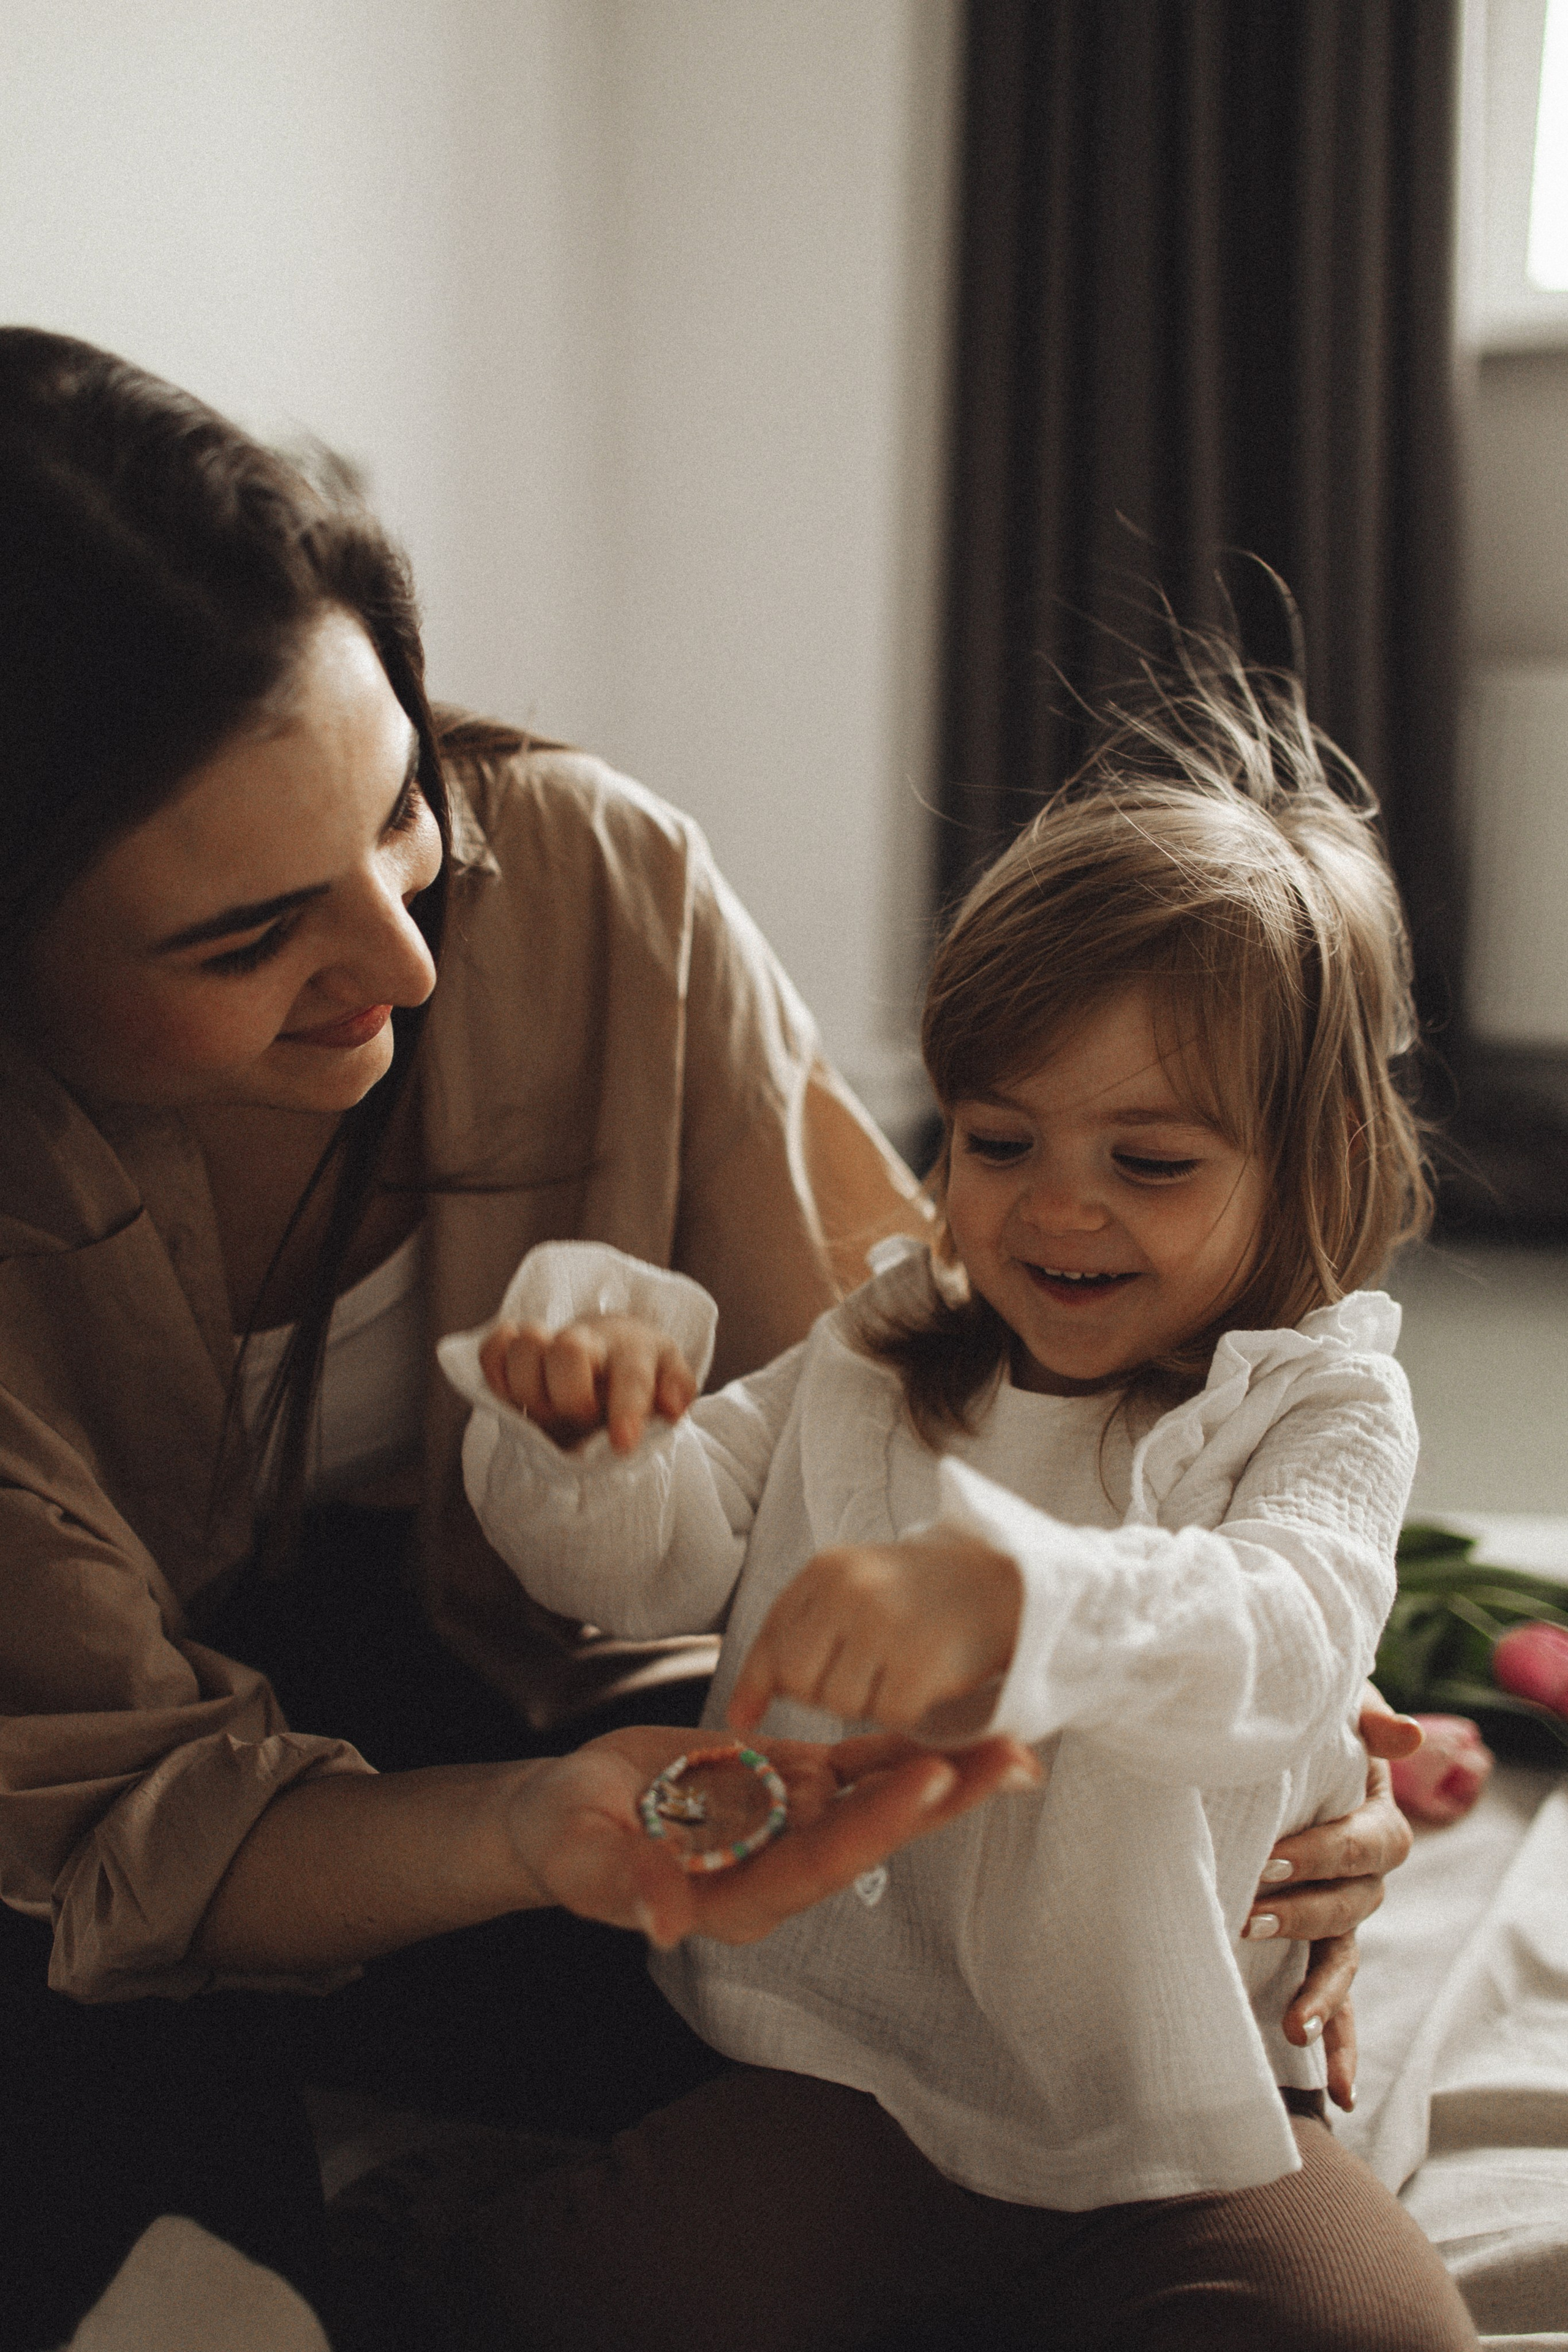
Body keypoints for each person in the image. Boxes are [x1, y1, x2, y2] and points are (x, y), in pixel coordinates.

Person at [0, 329, 1411, 2346]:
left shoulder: (584, 883)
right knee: (179, 2217)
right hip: (104, 1841)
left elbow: (970, 1438)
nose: (406, 953)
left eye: (400, 813)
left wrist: (1292, 1752)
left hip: (538, 1759)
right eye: (246, 938)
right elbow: (114, 1838)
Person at [443, 652, 1476, 2351]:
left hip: (1194, 2097)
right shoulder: (879, 1353)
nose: (1056, 1209)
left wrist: (1029, 1611)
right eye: (1000, 1141)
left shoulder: (1321, 1403)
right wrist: (586, 1430)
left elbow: (1286, 1637)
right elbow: (642, 1566)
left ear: (1314, 1165)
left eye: (1149, 1162)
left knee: (1380, 2336)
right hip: (862, 2066)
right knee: (584, 2293)